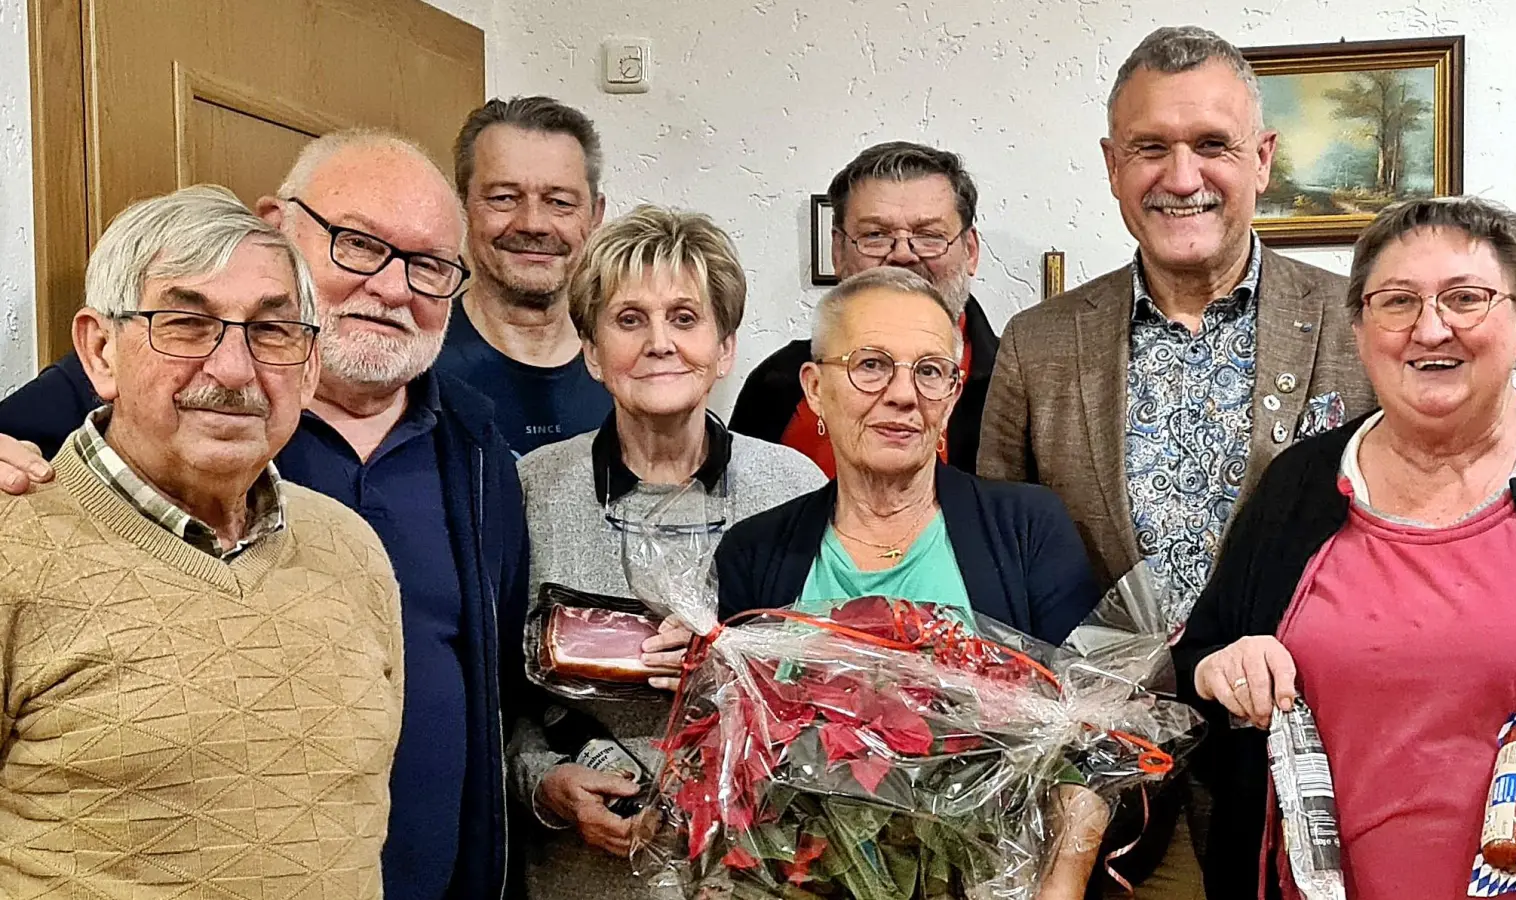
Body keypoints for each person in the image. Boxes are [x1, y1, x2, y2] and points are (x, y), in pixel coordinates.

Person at [0, 130, 528, 900]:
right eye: (358, 244)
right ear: (101, 351)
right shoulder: (29, 509)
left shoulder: (467, 454)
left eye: (427, 265)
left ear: (304, 358)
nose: (233, 366)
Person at [976, 26, 1376, 894]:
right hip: (1108, 788)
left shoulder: (1358, 325)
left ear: (1262, 158)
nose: (1182, 177)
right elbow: (997, 565)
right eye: (1150, 147)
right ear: (1112, 164)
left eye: (1212, 146)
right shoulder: (1037, 345)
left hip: (1316, 770)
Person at [1173, 196, 1516, 899]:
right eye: (1396, 302)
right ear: (1361, 328)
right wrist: (1228, 665)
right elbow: (1200, 660)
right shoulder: (1298, 484)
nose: (1430, 329)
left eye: (1465, 298)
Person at [510, 204, 826, 899]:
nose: (659, 343)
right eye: (629, 320)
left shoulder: (794, 487)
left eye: (684, 318)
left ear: (724, 348)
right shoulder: (531, 489)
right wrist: (545, 785)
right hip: (584, 878)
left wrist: (734, 662)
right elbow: (497, 703)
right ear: (591, 351)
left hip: (757, 873)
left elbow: (837, 688)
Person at [718, 267, 1099, 645]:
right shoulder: (752, 553)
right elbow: (729, 697)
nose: (903, 395)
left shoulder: (1028, 529)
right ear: (815, 389)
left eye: (929, 371)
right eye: (870, 365)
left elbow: (1088, 693)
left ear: (950, 398)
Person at [730, 141, 999, 475]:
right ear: (839, 252)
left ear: (970, 250)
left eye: (929, 235)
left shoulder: (1016, 384)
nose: (903, 254)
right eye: (875, 235)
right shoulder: (777, 386)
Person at [444, 95, 614, 456]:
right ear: (462, 206)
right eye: (504, 197)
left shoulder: (632, 367)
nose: (533, 224)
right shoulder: (418, 366)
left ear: (595, 215)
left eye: (560, 202)